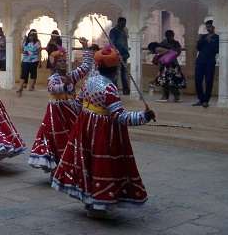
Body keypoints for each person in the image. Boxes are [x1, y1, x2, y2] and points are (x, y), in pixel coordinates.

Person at [51, 45, 156, 218]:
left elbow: (77, 105)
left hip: (85, 126)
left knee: (88, 163)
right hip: (103, 132)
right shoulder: (110, 88)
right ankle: (98, 203)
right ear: (115, 69)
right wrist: (143, 116)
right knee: (101, 164)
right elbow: (120, 117)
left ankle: (89, 200)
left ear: (98, 66)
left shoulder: (90, 81)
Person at [29, 38, 93, 173]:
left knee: (72, 138)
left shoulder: (71, 75)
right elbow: (53, 89)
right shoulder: (52, 78)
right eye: (60, 62)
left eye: (64, 61)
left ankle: (69, 166)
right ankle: (55, 168)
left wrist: (85, 48)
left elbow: (86, 67)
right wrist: (64, 85)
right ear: (54, 64)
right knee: (56, 139)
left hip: (70, 111)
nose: (63, 63)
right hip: (56, 114)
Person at [150, 30, 186, 103]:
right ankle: (165, 96)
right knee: (164, 81)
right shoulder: (163, 42)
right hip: (164, 65)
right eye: (168, 36)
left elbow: (177, 52)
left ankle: (177, 97)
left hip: (173, 64)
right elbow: (157, 51)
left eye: (170, 36)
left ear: (173, 35)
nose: (169, 37)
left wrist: (168, 52)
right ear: (166, 36)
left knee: (173, 81)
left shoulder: (176, 43)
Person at [193, 20, 219, 108]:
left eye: (210, 27)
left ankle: (206, 100)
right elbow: (198, 48)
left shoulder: (217, 37)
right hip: (200, 61)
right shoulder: (203, 37)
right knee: (198, 80)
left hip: (210, 62)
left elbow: (217, 50)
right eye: (207, 27)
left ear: (214, 27)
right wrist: (201, 40)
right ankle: (201, 99)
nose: (208, 28)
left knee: (208, 81)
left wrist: (210, 41)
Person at [109, 17, 131, 95]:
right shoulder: (113, 31)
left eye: (125, 24)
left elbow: (125, 43)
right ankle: (114, 90)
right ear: (118, 22)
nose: (124, 25)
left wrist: (126, 53)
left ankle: (126, 89)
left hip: (124, 55)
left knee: (124, 73)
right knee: (115, 73)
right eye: (122, 23)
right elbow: (112, 43)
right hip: (116, 55)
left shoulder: (124, 31)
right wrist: (117, 53)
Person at [17, 29, 42, 96]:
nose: (31, 37)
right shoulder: (25, 42)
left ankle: (31, 86)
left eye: (33, 35)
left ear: (35, 36)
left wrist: (39, 62)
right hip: (25, 60)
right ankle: (20, 87)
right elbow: (21, 50)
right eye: (30, 35)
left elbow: (39, 52)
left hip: (34, 61)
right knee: (23, 74)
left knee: (33, 74)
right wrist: (24, 50)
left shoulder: (37, 42)